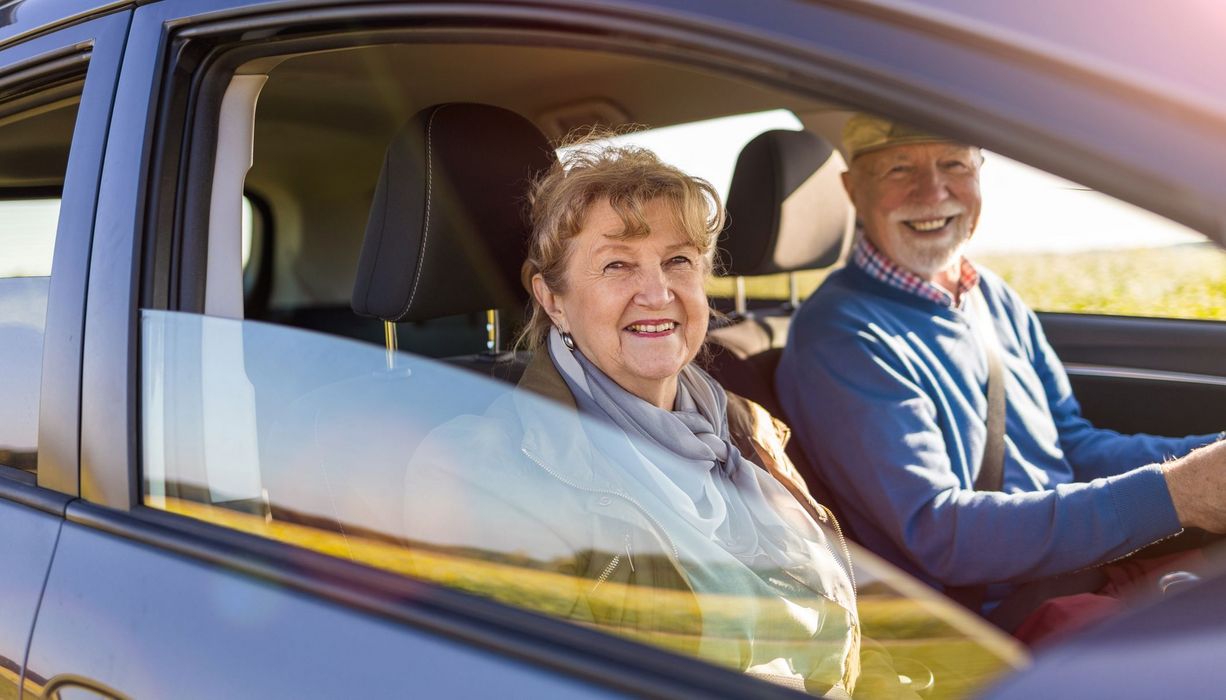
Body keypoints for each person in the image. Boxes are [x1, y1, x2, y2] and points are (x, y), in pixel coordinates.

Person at [403, 143, 878, 696]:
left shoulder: (748, 428)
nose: (657, 293)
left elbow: (846, 642)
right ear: (553, 300)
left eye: (678, 261)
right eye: (617, 265)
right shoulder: (479, 468)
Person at [775, 112, 1226, 642]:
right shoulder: (841, 335)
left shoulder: (988, 295)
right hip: (994, 626)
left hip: (1088, 575)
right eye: (900, 169)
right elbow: (940, 533)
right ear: (853, 188)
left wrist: (1207, 458)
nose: (933, 190)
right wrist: (1177, 495)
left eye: (953, 164)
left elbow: (1073, 445)